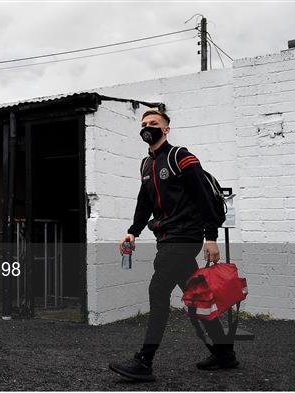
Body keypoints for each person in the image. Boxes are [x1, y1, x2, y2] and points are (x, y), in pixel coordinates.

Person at [108, 110, 238, 382]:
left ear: (166, 129)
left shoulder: (180, 156)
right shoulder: (146, 164)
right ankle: (225, 354)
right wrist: (133, 231)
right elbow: (144, 203)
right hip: (166, 237)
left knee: (157, 291)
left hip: (183, 238)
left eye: (154, 124)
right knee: (197, 298)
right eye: (144, 124)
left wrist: (211, 237)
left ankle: (144, 361)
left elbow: (203, 196)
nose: (148, 128)